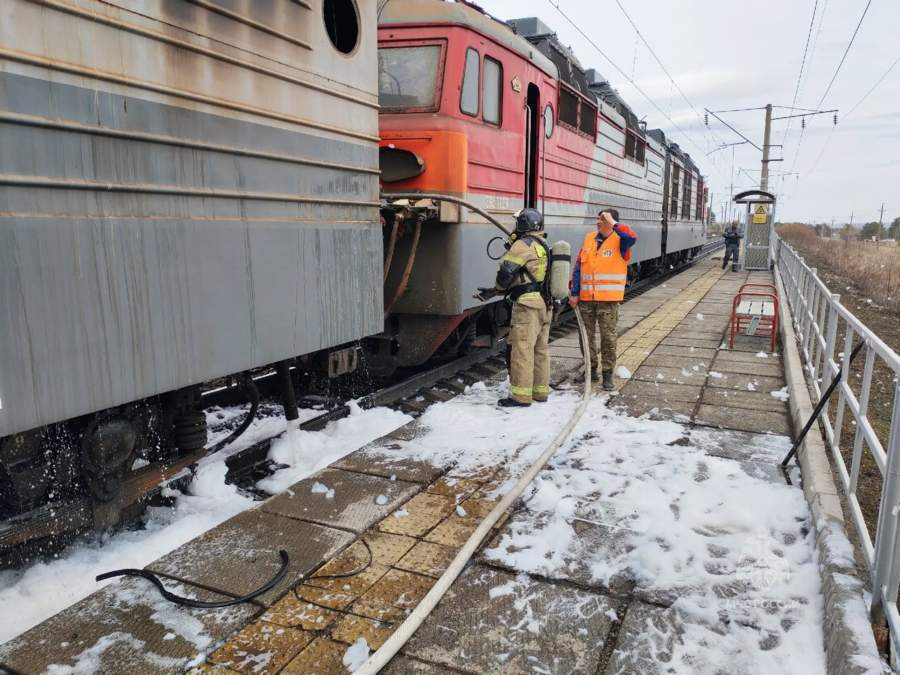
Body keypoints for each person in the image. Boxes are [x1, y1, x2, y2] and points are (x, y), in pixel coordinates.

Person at [475, 208, 551, 407]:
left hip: (527, 305)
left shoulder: (522, 245)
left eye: (517, 223)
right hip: (544, 303)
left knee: (522, 350)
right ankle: (540, 392)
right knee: (540, 350)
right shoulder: (542, 244)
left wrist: (497, 289)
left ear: (523, 224)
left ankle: (521, 397)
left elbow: (506, 273)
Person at [568, 209, 637, 391]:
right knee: (585, 337)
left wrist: (613, 223)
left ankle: (607, 374)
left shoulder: (621, 241)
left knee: (608, 338)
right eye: (598, 218)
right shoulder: (589, 238)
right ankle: (590, 370)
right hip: (586, 300)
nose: (598, 222)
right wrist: (574, 292)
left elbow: (632, 237)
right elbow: (578, 267)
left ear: (612, 222)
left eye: (603, 219)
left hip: (608, 301)